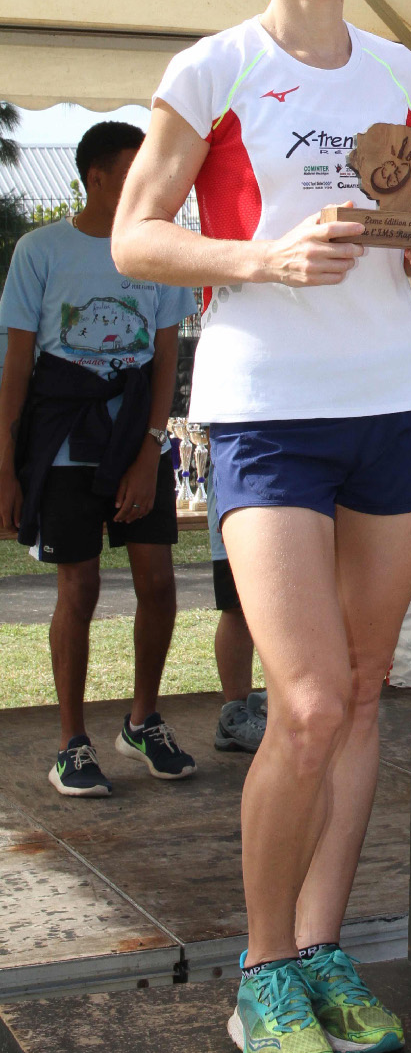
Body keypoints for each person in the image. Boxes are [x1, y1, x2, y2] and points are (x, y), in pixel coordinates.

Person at [111, 0, 411, 1053]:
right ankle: (262, 971)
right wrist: (257, 258)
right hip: (265, 407)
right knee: (308, 701)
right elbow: (136, 240)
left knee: (368, 694)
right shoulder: (211, 70)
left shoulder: (407, 79)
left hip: (391, 402)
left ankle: (325, 952)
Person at [0, 122, 196, 796]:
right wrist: (4, 464)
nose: (152, 183)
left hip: (136, 439)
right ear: (99, 179)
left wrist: (149, 448)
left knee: (160, 585)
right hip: (65, 444)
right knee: (77, 590)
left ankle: (143, 721)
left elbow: (166, 355)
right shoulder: (41, 250)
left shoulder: (160, 250)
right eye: (135, 170)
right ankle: (71, 743)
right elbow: (18, 361)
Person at [208, 469, 267, 753]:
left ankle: (276, 703)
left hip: (295, 487)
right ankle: (234, 715)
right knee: (237, 605)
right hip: (238, 482)